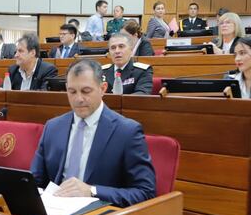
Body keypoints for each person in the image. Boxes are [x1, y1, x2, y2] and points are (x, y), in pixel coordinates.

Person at [30, 58, 156, 206]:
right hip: (54, 214)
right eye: (72, 92)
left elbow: (145, 192)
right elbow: (35, 181)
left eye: (86, 91)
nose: (79, 99)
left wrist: (92, 190)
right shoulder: (53, 127)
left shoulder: (127, 132)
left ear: (103, 89)